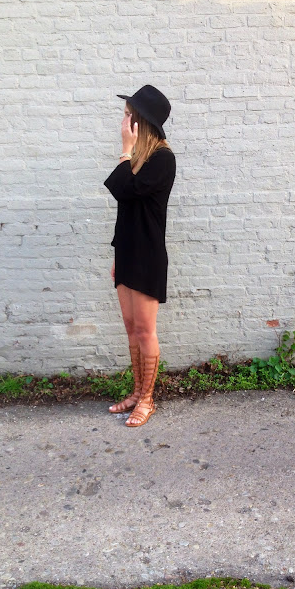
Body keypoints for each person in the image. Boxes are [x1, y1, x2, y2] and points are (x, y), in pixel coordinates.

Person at [103, 85, 176, 427]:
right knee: (131, 328)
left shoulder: (162, 159)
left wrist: (124, 150)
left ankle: (147, 400)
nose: (123, 122)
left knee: (145, 331)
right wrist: (117, 254)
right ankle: (136, 392)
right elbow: (126, 211)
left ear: (141, 122)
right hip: (128, 252)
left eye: (128, 116)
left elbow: (124, 190)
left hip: (147, 256)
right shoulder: (138, 159)